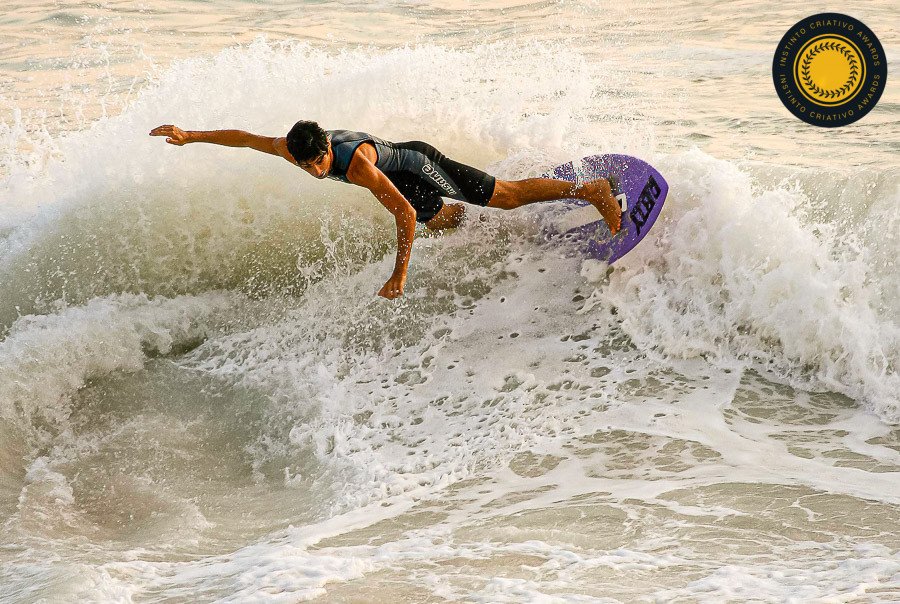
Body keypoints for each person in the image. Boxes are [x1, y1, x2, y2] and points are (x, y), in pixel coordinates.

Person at [150, 121, 622, 299]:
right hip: (402, 181)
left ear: (325, 152)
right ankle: (514, 235)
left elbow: (404, 216)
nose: (313, 171)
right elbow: (245, 139)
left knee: (505, 196)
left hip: (419, 166)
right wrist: (191, 136)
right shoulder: (292, 147)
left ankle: (592, 191)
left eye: (317, 163)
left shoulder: (355, 166)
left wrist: (399, 275)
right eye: (305, 164)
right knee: (451, 223)